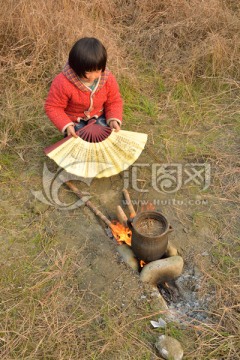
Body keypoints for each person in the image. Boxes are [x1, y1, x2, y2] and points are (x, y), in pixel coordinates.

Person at [45, 37, 123, 138]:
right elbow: (53, 107)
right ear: (76, 67)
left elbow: (114, 101)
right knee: (81, 138)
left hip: (98, 116)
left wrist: (113, 119)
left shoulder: (108, 78)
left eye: (98, 70)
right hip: (74, 121)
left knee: (105, 134)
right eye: (87, 72)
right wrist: (67, 125)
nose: (93, 76)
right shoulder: (62, 82)